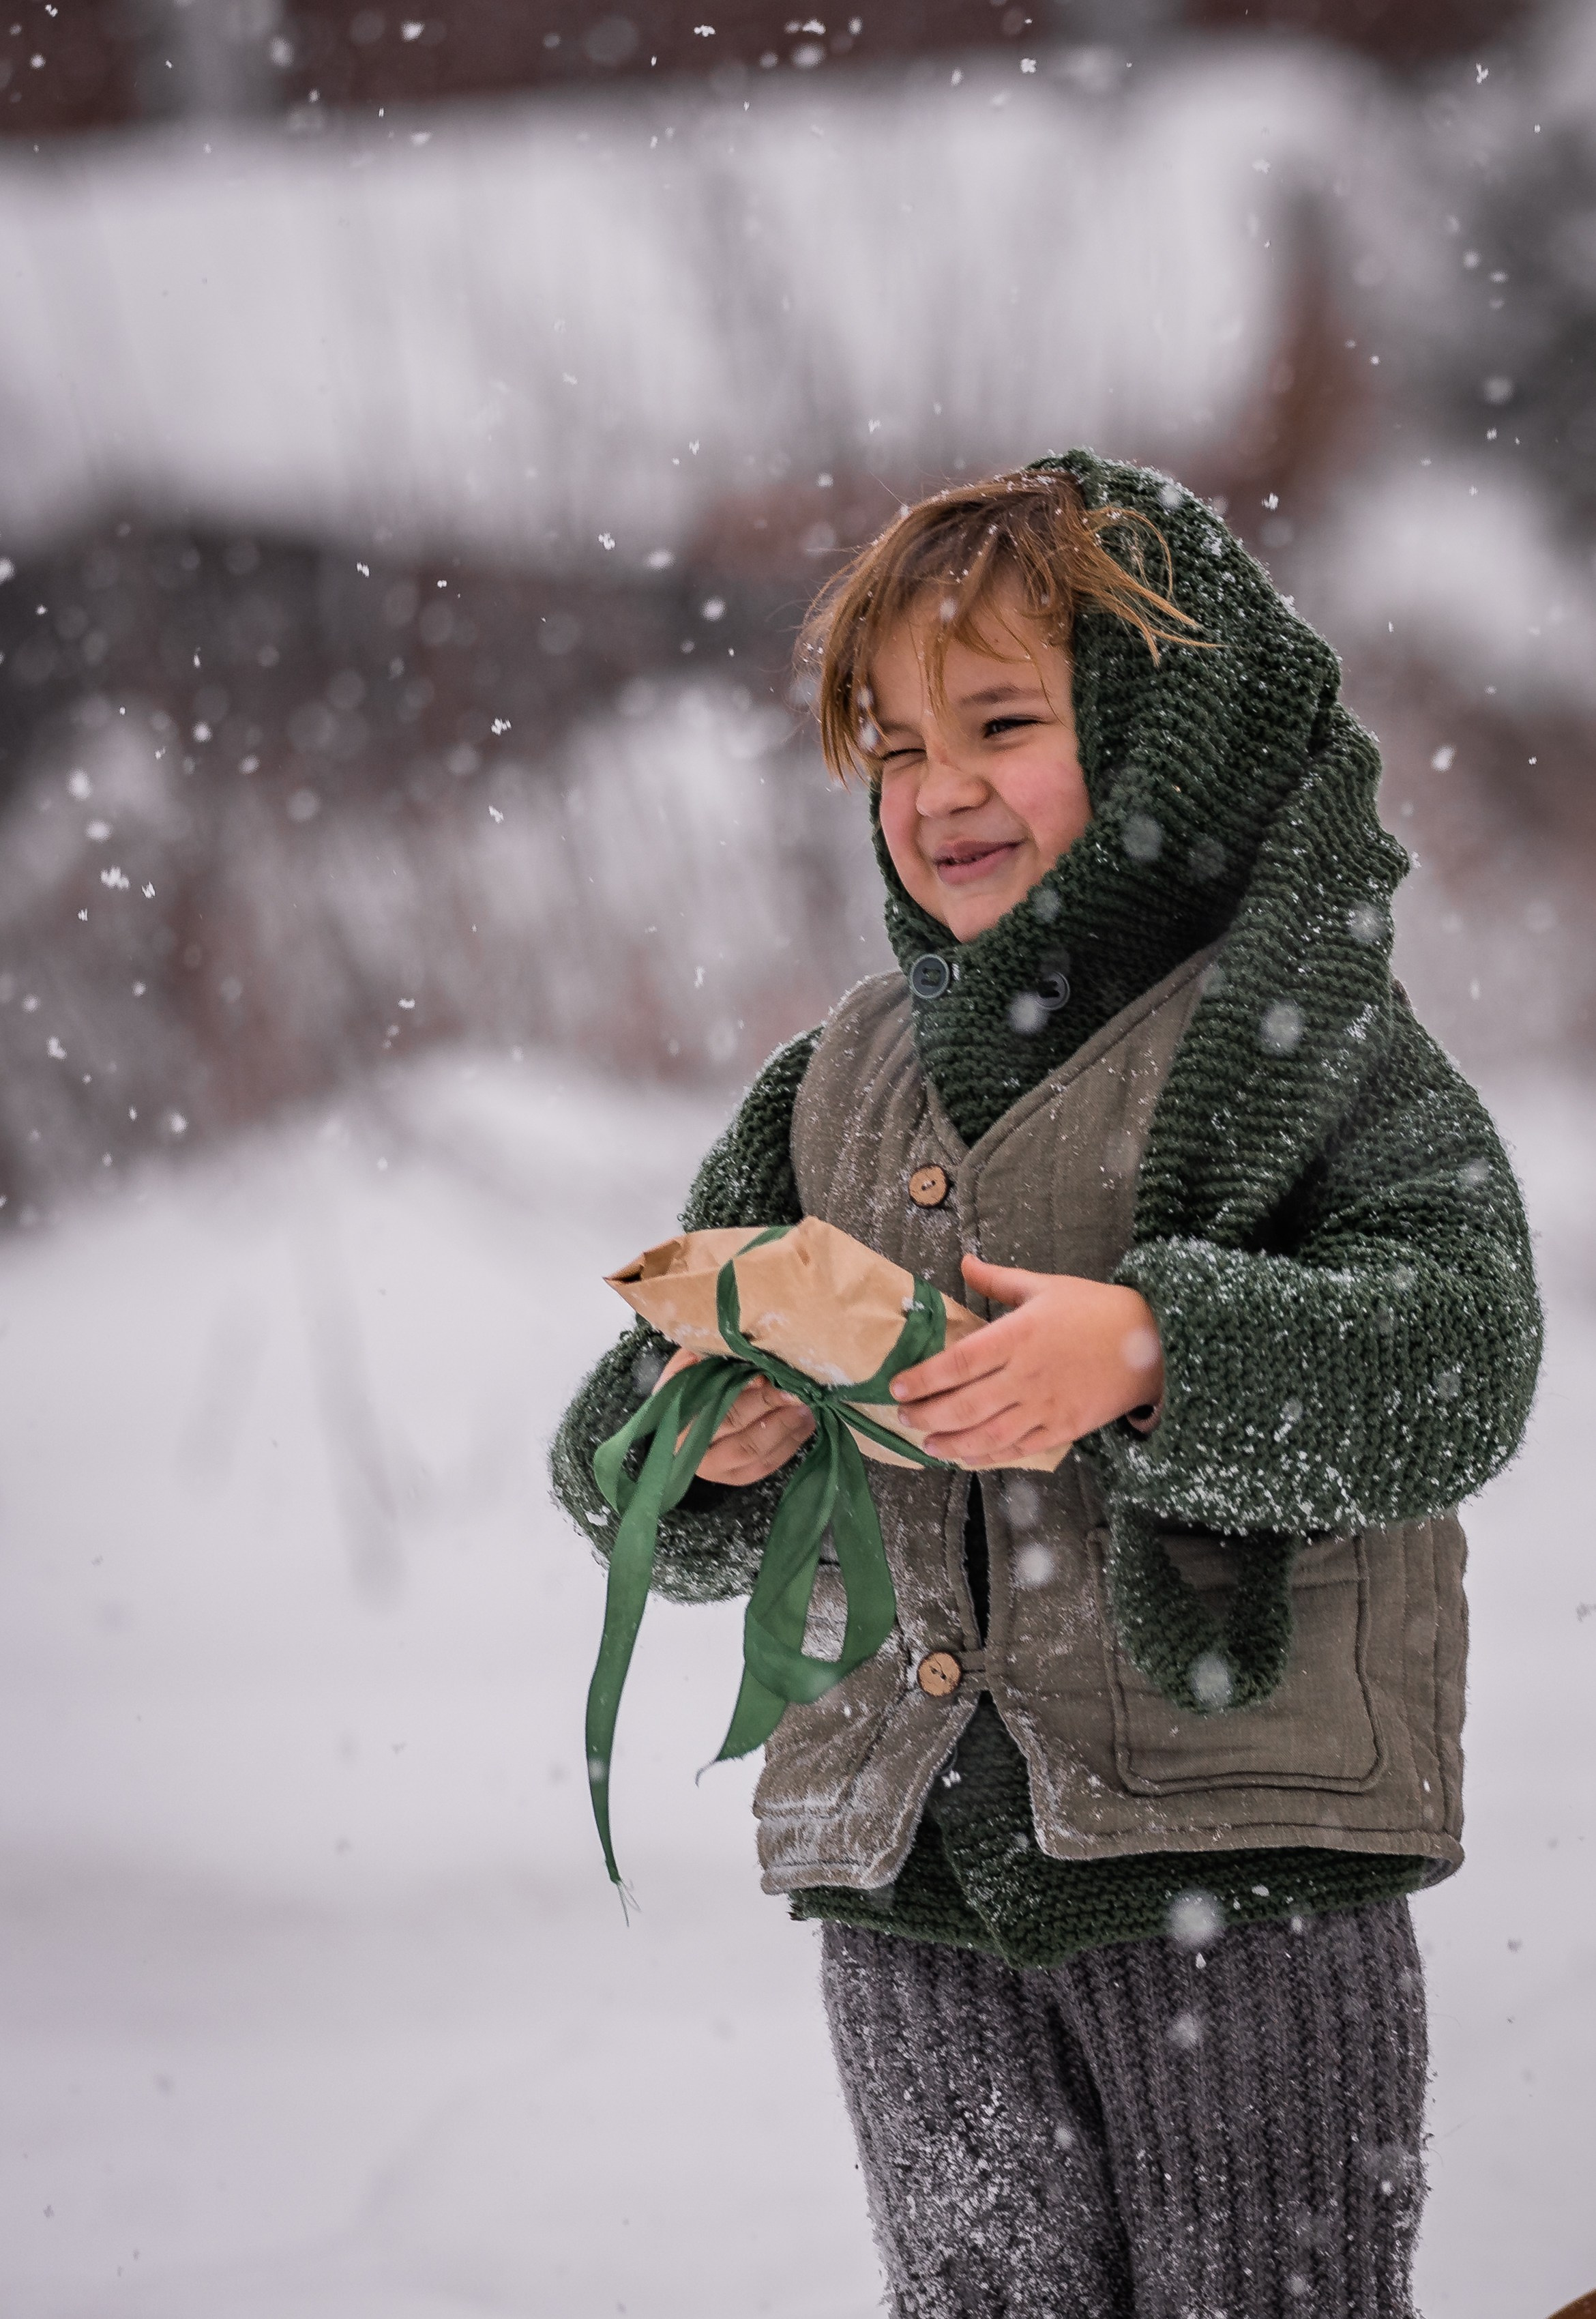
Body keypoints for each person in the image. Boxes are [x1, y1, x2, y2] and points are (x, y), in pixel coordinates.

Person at [550, 452, 1542, 2318]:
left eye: (1001, 724)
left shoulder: (1304, 1039)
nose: (935, 792)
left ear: (1171, 741)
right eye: (893, 747)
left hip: (1235, 1860)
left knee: (1261, 2296)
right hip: (907, 1863)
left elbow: (1458, 1357)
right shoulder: (836, 1081)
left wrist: (1163, 1349)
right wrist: (700, 1438)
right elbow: (624, 1459)